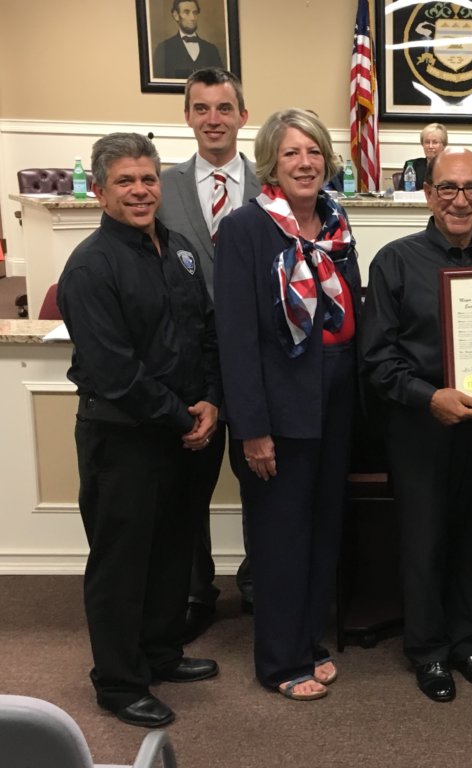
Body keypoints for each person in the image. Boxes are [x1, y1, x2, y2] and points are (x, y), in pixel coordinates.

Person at [360, 147, 472, 703]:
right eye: (447, 189)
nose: (460, 200)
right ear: (429, 194)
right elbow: (377, 359)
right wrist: (427, 396)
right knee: (425, 539)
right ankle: (429, 651)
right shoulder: (394, 260)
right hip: (421, 427)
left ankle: (468, 641)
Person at [57, 132, 220, 728]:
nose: (140, 190)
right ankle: (120, 683)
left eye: (148, 178)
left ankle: (160, 652)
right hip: (123, 436)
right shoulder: (91, 267)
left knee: (172, 550)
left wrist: (210, 401)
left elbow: (204, 331)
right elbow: (115, 370)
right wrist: (185, 416)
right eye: (125, 181)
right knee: (121, 562)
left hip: (182, 431)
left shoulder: (176, 250)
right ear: (99, 190)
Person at [214, 109, 360, 701]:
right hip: (278, 406)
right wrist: (252, 428)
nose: (305, 163)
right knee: (280, 536)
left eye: (315, 152)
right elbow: (236, 336)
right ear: (272, 163)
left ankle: (307, 642)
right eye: (292, 153)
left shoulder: (333, 218)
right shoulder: (247, 228)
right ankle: (279, 662)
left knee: (323, 529)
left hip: (335, 394)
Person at [158, 66, 258, 641]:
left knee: (260, 474)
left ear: (243, 116)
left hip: (257, 360)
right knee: (189, 482)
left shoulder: (271, 182)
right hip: (188, 364)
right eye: (202, 108)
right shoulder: (161, 188)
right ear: (188, 116)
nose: (213, 120)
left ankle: (257, 581)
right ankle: (197, 589)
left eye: (224, 108)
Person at [153, 0, 224, 80]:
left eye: (195, 13)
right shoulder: (163, 49)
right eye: (186, 12)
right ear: (176, 15)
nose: (192, 18)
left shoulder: (211, 49)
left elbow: (220, 83)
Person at [401, 122, 448, 191]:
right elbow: (402, 191)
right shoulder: (412, 165)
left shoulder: (451, 166)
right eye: (427, 142)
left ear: (444, 145)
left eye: (435, 142)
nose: (430, 146)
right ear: (422, 144)